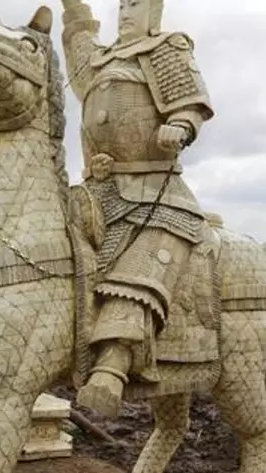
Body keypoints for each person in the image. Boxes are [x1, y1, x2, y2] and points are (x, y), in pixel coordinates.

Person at [61, 0, 214, 417]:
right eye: (122, 4)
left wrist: (180, 126)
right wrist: (72, 9)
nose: (126, 12)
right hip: (96, 192)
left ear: (154, 11)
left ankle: (112, 365)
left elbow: (189, 103)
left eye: (136, 3)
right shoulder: (102, 60)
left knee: (144, 261)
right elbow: (81, 46)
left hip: (155, 193)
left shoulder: (167, 48)